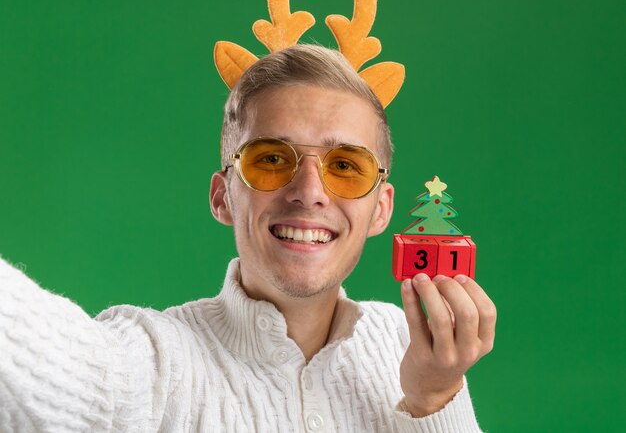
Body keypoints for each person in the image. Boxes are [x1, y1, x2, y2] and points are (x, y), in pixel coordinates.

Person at [0, 44, 495, 432]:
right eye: (271, 159)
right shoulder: (152, 362)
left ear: (380, 209)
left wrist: (434, 399)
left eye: (345, 166)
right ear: (223, 197)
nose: (309, 193)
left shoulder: (408, 346)